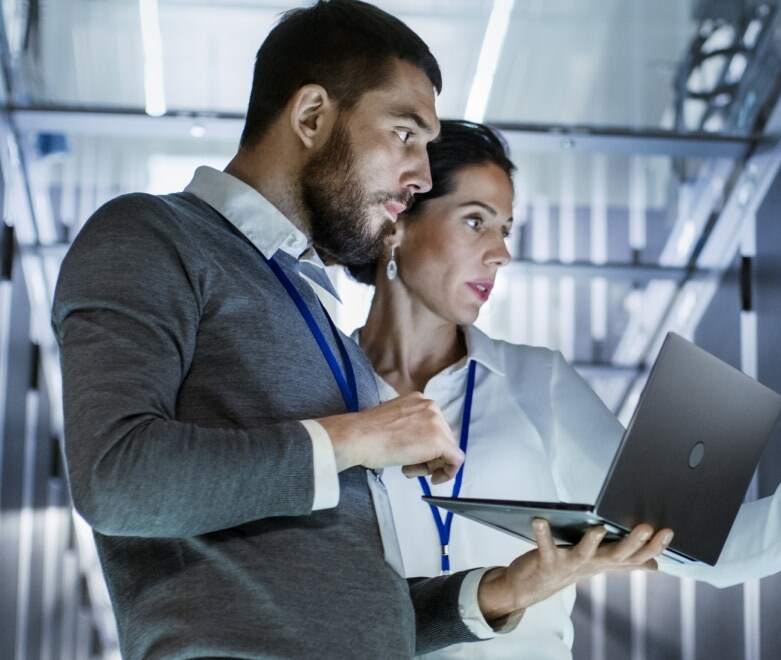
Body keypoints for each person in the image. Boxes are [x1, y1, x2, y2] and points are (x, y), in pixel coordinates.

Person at [50, 3, 669, 659]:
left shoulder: (307, 305)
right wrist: (361, 435)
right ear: (312, 116)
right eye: (406, 134)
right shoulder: (150, 236)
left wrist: (502, 591)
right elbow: (116, 481)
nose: (423, 175)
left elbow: (345, 607)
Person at [349, 119, 781, 658]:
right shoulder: (322, 393)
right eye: (475, 221)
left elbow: (705, 554)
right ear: (399, 219)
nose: (501, 254)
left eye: (506, 230)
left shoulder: (535, 383)